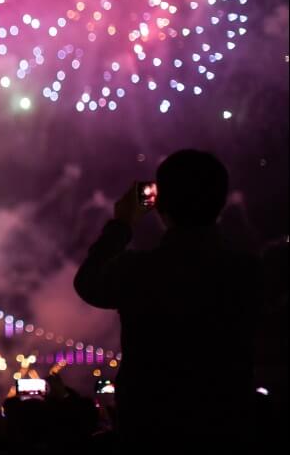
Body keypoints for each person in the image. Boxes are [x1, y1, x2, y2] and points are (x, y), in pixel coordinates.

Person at [74, 149, 260, 449]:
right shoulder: (250, 272)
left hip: (150, 427)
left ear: (159, 203)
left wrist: (122, 224)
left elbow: (87, 283)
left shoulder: (138, 270)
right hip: (227, 425)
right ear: (222, 202)